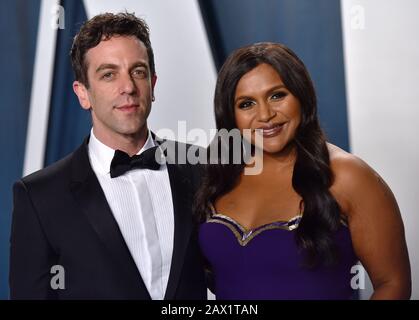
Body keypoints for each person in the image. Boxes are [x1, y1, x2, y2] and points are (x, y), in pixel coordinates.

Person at [9, 13, 206, 299]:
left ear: (153, 84)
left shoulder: (201, 167)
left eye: (137, 71)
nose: (127, 87)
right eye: (108, 74)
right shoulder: (39, 197)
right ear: (83, 94)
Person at [195, 42, 411, 299]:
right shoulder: (218, 176)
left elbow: (393, 284)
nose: (265, 115)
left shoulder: (349, 176)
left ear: (302, 95)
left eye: (277, 95)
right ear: (231, 115)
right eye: (246, 104)